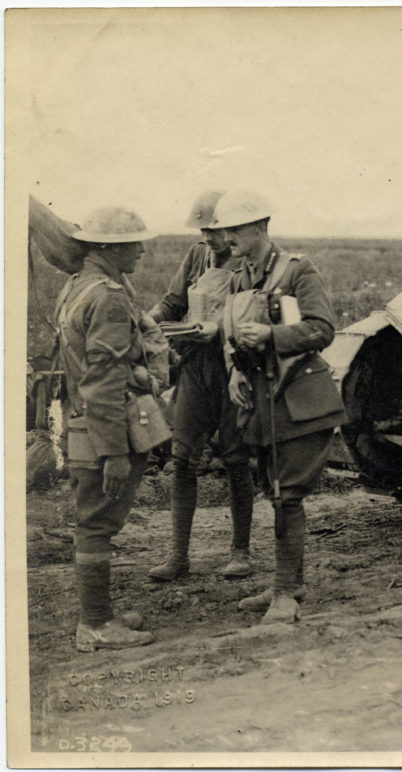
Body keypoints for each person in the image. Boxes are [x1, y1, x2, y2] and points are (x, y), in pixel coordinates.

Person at [213, 190, 344, 623]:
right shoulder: (238, 278)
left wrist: (271, 338)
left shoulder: (296, 271)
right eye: (224, 230)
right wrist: (235, 369)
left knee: (288, 496)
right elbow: (233, 337)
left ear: (261, 227)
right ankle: (291, 582)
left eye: (235, 229)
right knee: (274, 491)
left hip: (299, 399)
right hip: (260, 399)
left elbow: (322, 329)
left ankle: (285, 594)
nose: (227, 237)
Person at [56, 206, 162, 651]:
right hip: (105, 429)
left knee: (94, 522)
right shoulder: (111, 298)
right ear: (110, 247)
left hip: (83, 423)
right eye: (134, 242)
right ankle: (96, 625)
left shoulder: (77, 287)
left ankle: (100, 617)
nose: (141, 249)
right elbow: (105, 381)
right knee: (97, 524)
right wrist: (115, 452)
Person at [148, 191, 255, 581]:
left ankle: (240, 551)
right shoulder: (196, 256)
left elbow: (257, 316)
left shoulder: (250, 261)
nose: (208, 237)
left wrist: (222, 329)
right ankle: (178, 556)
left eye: (215, 229)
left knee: (235, 457)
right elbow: (173, 302)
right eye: (203, 230)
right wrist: (150, 321)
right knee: (182, 459)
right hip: (195, 367)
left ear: (233, 227)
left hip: (232, 367)